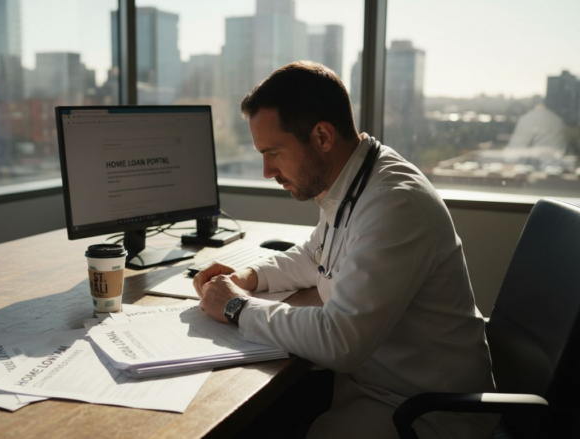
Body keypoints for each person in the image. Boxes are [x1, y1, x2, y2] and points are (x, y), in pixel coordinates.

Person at [193, 61, 498, 438]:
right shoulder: (356, 180)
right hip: (373, 387)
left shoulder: (393, 203)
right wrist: (248, 277)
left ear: (322, 136)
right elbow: (315, 255)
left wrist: (236, 307)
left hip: (425, 412)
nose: (267, 171)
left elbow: (340, 340)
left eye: (274, 153)